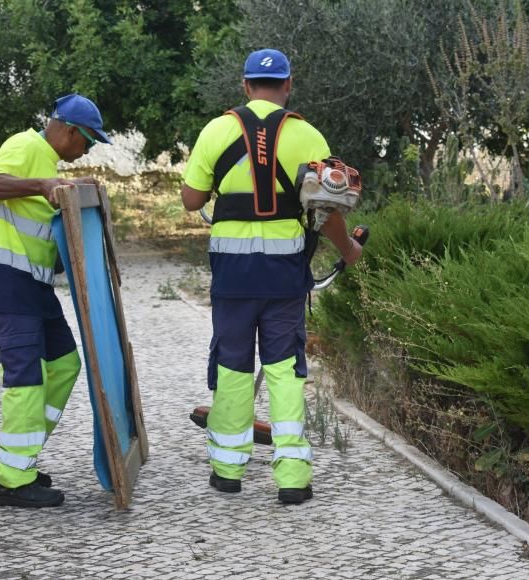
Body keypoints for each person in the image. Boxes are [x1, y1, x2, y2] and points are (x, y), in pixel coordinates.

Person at [180, 48, 362, 505]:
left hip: (233, 276)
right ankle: (293, 480)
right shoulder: (307, 136)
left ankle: (227, 471)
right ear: (287, 85)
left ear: (244, 86)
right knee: (284, 370)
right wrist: (350, 250)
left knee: (233, 366)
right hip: (284, 276)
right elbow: (329, 210)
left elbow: (190, 198)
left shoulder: (217, 129)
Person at [0, 93, 112, 508]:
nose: (88, 150)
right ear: (65, 129)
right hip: (3, 284)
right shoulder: (26, 146)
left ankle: (9, 453)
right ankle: (10, 482)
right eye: (88, 140)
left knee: (64, 365)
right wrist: (43, 185)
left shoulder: (50, 165)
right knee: (26, 377)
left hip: (32, 286)